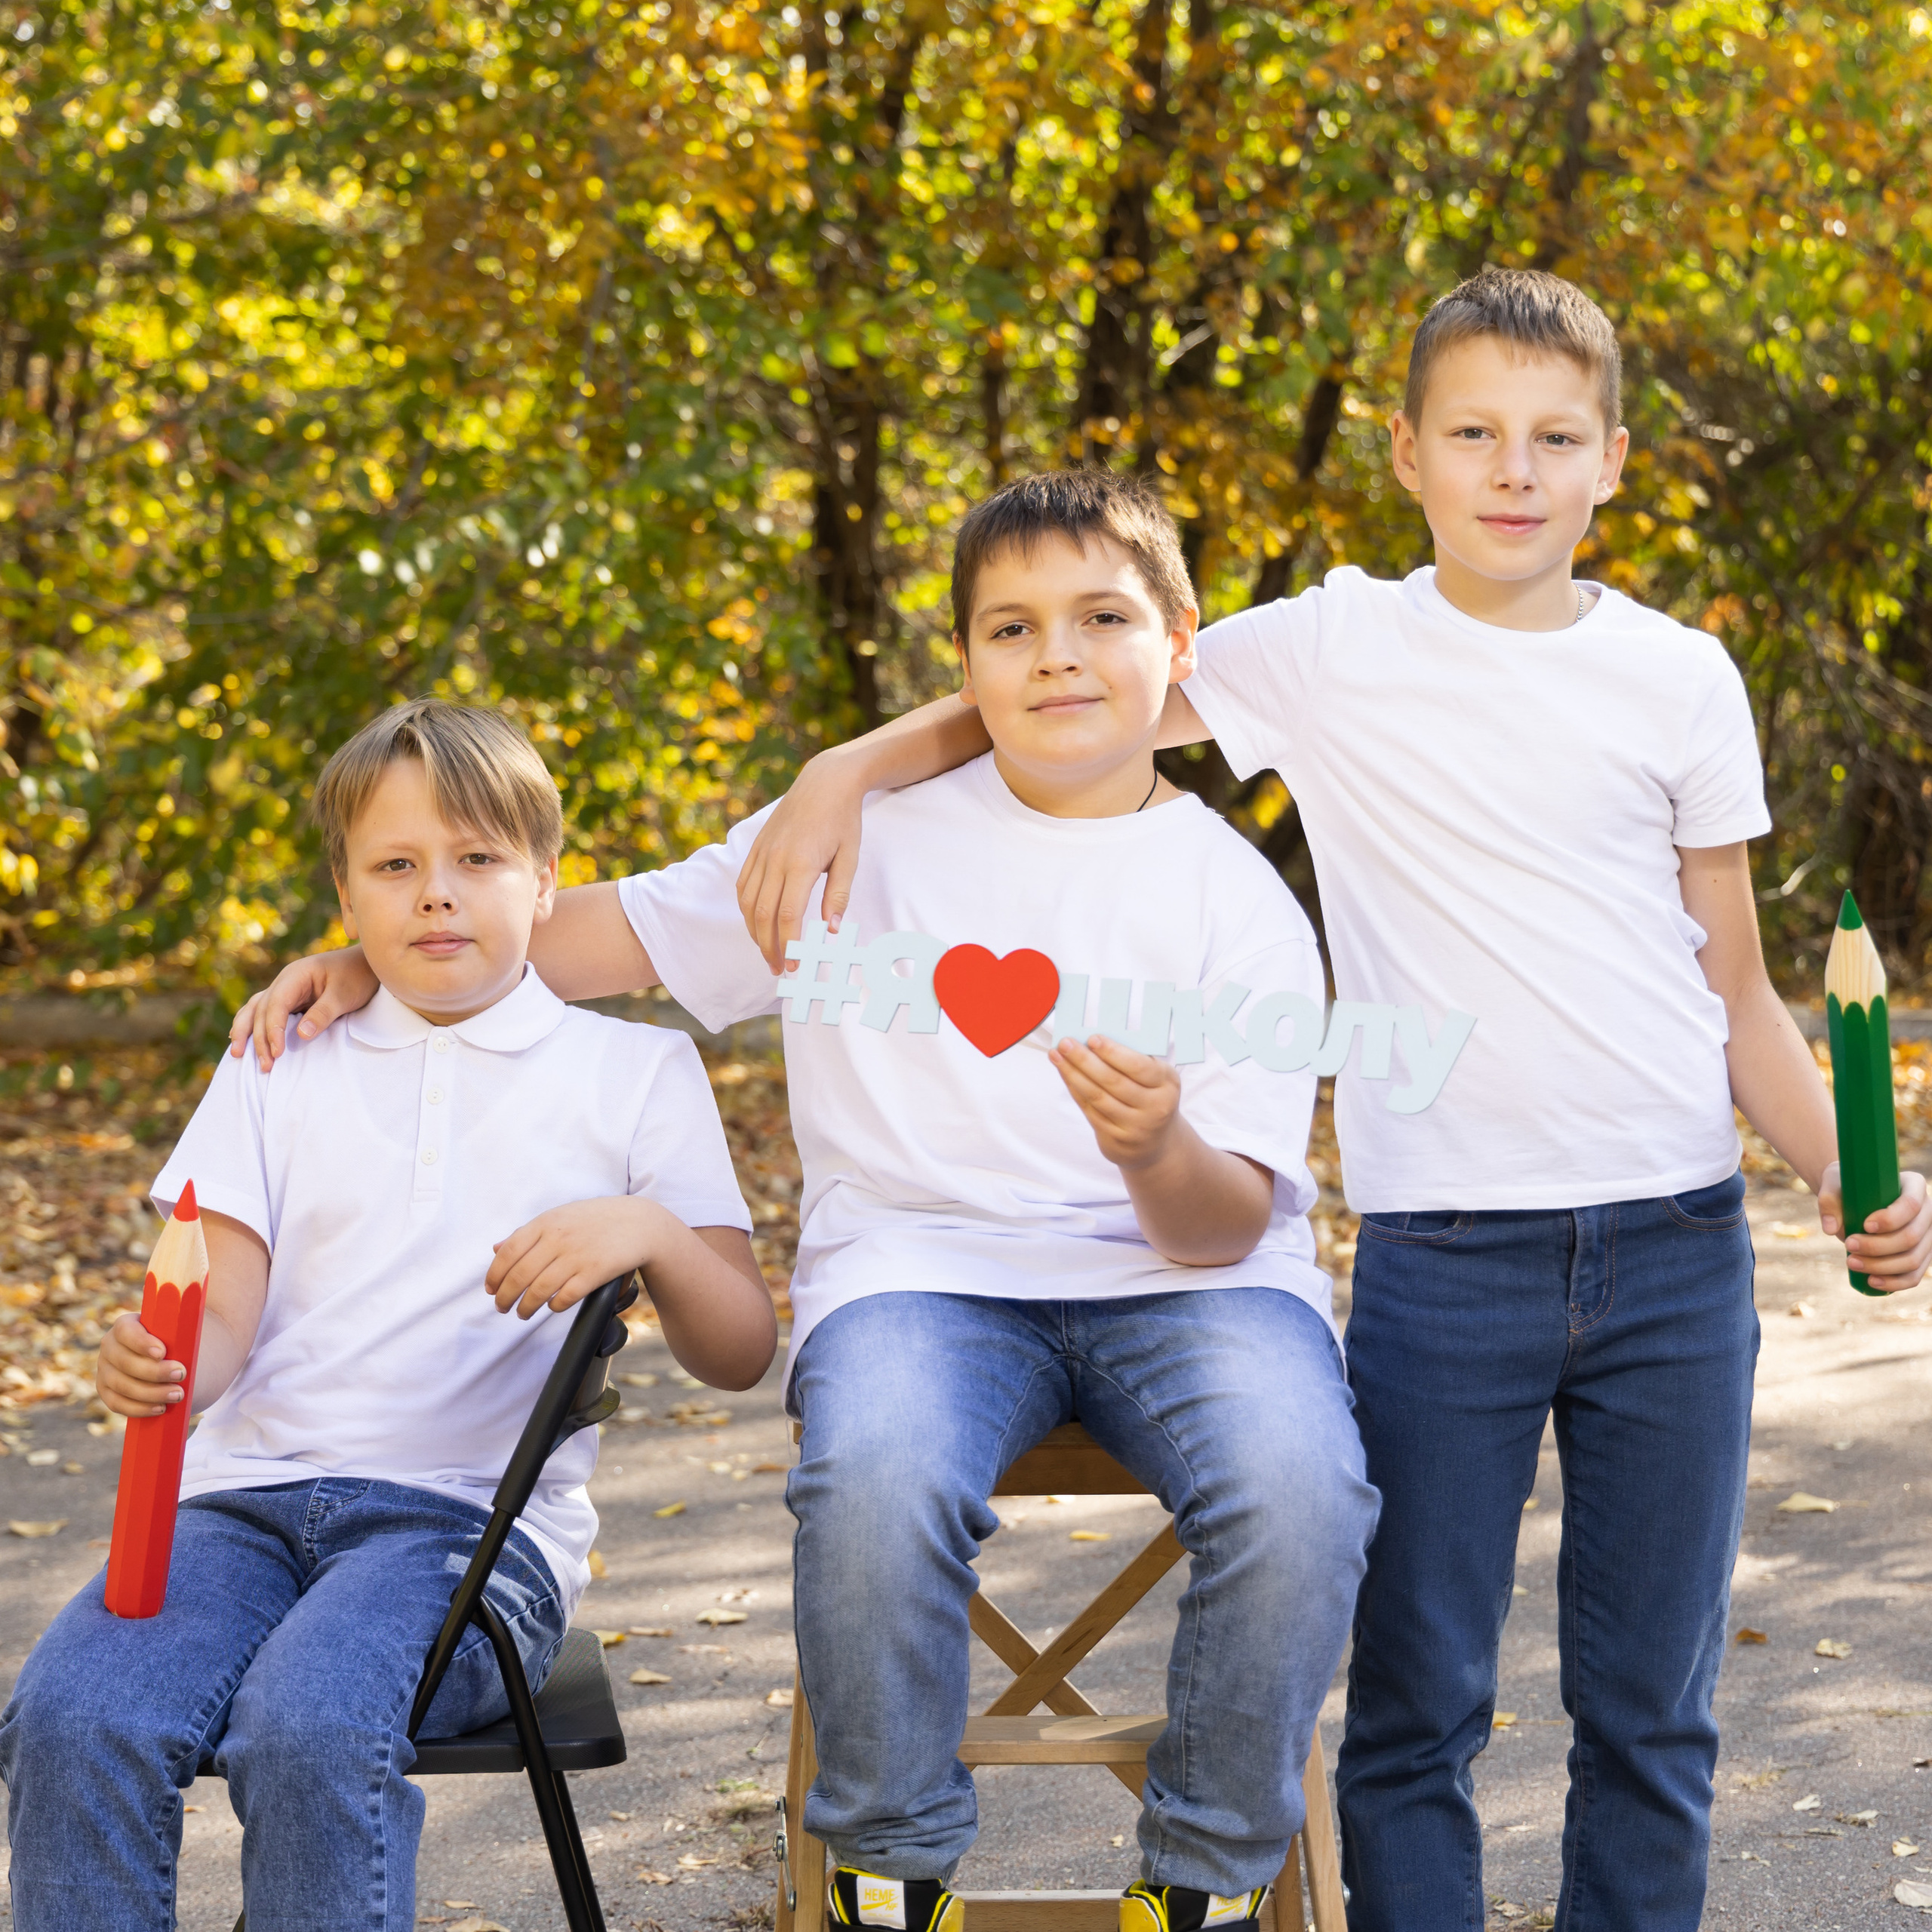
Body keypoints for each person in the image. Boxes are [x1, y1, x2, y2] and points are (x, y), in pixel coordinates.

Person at [712, 270, 1932, 1930]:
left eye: (1552, 437)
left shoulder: (1680, 679)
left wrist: (1834, 1167)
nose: (1513, 469)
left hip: (1672, 1244)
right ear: (1406, 453)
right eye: (1474, 434)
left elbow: (1729, 985)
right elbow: (1074, 690)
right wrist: (840, 768)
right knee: (1416, 1703)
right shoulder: (1326, 647)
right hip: (1444, 1255)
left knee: (1651, 1707)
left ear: (1612, 461)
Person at [226, 473, 1380, 1932]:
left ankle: (1205, 1879)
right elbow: (579, 937)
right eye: (1009, 629)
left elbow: (1218, 1228)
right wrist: (367, 963)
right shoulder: (857, 841)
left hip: (1194, 1286)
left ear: (1182, 645)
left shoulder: (1236, 902)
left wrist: (1152, 1145)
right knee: (877, 1471)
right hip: (919, 1275)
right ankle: (890, 1870)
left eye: (1102, 618)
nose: (1058, 658)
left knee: (1303, 1486)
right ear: (961, 667)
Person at [0, 700, 775, 1932]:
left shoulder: (635, 1077)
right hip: (232, 1512)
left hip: (466, 1536)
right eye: (396, 868)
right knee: (74, 1715)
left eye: (476, 861)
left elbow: (741, 1350)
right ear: (346, 894)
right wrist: (161, 1364)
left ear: (546, 878)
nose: (438, 897)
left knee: (310, 1724)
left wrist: (652, 1234)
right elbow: (221, 1313)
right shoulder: (279, 1057)